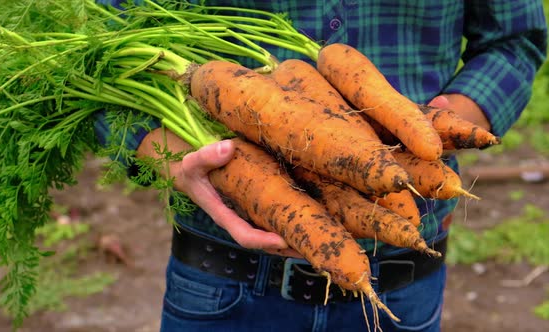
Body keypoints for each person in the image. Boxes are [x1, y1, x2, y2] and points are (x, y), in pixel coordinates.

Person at [96, 1, 547, 331]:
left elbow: (515, 39)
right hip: (222, 280)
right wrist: (170, 157)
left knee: (382, 171)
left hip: (404, 275)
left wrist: (428, 131)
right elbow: (104, 49)